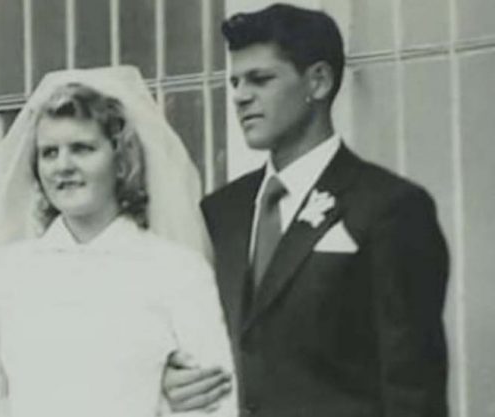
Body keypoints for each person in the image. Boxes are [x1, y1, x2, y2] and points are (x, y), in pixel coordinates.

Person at [163, 4, 449, 417]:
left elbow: (413, 388)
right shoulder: (221, 212)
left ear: (318, 81)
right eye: (235, 82)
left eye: (261, 79)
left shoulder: (390, 207)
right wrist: (172, 379)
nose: (240, 96)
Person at [0, 67, 236, 417]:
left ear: (121, 160)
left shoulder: (177, 270)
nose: (62, 166)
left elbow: (215, 402)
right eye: (49, 153)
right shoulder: (3, 272)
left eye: (82, 149)